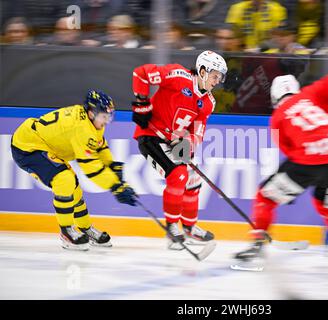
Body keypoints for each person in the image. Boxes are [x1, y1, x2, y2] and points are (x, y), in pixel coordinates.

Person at [234, 73, 328, 267]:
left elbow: (289, 151)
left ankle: (257, 244)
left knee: (265, 197)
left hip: (308, 161)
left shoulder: (276, 118)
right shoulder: (311, 93)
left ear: (274, 97)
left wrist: (291, 185)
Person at [11, 90, 138, 251]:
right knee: (64, 180)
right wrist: (116, 187)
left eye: (109, 116)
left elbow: (99, 146)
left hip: (45, 145)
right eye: (104, 116)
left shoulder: (94, 122)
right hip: (27, 147)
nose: (107, 121)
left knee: (73, 186)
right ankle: (66, 232)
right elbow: (91, 167)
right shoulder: (81, 128)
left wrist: (112, 167)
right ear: (92, 113)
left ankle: (85, 228)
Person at [131, 50, 227, 249]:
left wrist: (187, 142)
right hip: (150, 136)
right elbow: (141, 73)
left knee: (193, 179)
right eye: (215, 75)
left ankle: (190, 227)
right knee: (178, 175)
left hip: (172, 142)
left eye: (220, 77)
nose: (217, 81)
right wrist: (142, 103)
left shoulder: (208, 102)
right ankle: (173, 228)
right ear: (202, 71)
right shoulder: (177, 76)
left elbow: (198, 133)